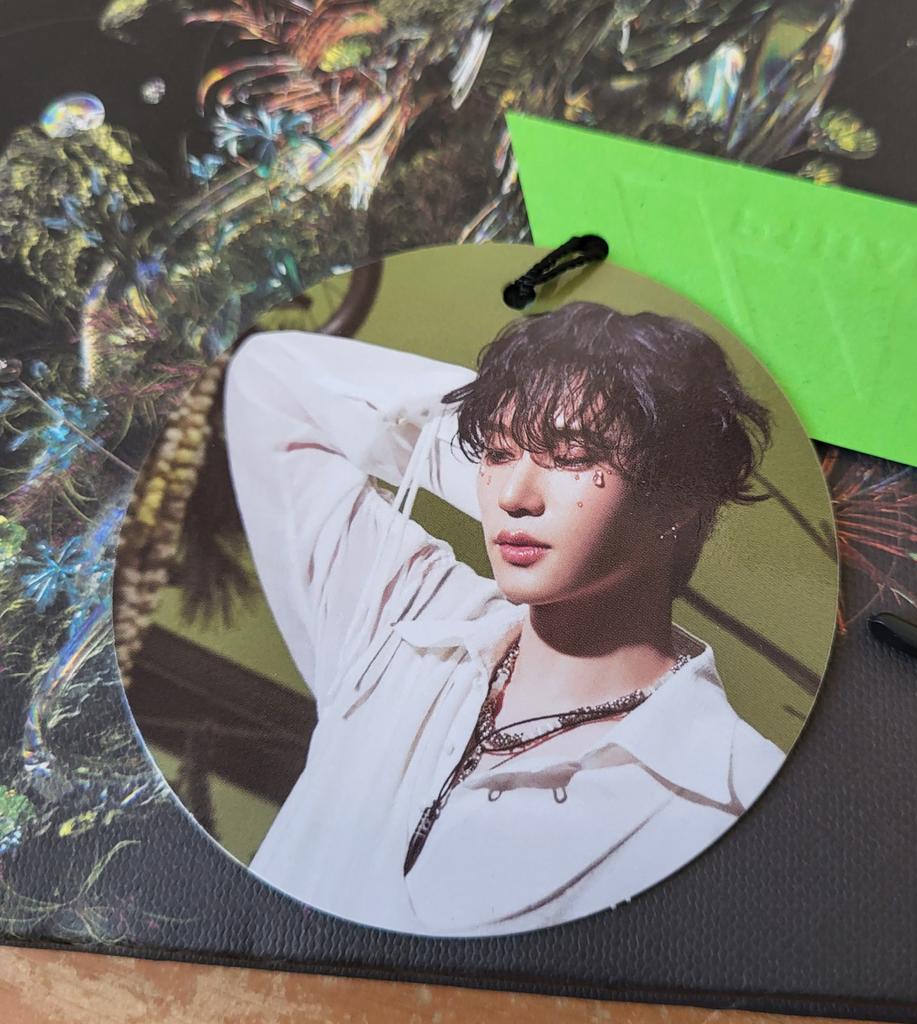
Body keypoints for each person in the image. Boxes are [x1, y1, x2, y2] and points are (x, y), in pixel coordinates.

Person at [223, 300, 784, 936]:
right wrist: (505, 419)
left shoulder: (737, 792)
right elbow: (266, 378)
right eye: (494, 452)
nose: (514, 497)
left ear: (681, 496)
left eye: (573, 455)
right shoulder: (407, 626)